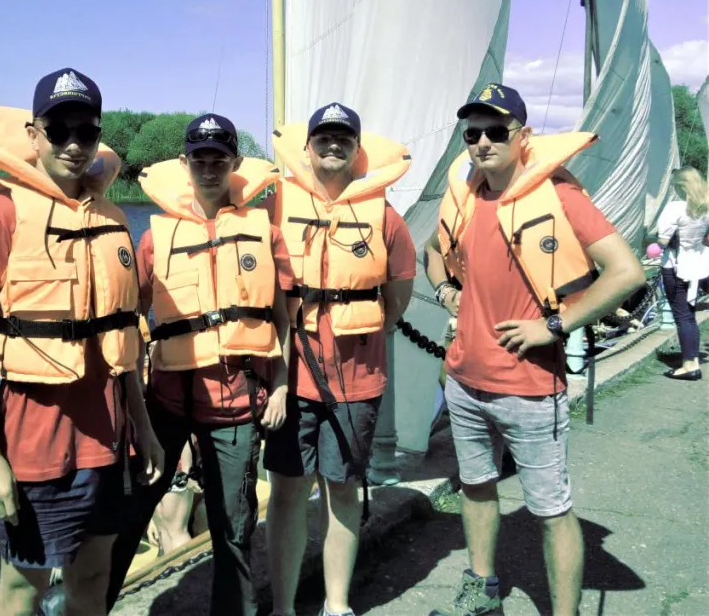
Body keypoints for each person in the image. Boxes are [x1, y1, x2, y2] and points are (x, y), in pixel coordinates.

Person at [0, 69, 164, 616]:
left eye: (86, 132)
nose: (73, 144)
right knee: (24, 584)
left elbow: (121, 339)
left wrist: (143, 428)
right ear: (34, 134)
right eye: (58, 130)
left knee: (94, 574)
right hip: (35, 439)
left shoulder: (113, 219)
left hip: (109, 435)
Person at [424, 83, 645, 616]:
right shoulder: (465, 195)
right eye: (472, 133)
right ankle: (481, 594)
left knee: (551, 510)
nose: (482, 142)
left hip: (529, 386)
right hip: (464, 381)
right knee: (476, 488)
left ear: (523, 136)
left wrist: (555, 325)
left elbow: (626, 272)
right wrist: (447, 291)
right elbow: (433, 251)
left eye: (496, 131)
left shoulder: (559, 194)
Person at [105, 113, 292, 616]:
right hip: (166, 403)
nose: (209, 169)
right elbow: (128, 321)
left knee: (234, 529)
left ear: (234, 164)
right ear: (184, 164)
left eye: (219, 160)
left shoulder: (266, 234)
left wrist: (281, 385)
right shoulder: (154, 239)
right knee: (130, 515)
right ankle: (90, 606)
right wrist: (133, 406)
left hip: (236, 407)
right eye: (200, 160)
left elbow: (283, 319)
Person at [263, 103, 416, 616]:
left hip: (357, 380)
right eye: (324, 138)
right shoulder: (275, 208)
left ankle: (337, 604)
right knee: (287, 493)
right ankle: (282, 607)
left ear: (356, 149)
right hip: (291, 380)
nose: (333, 145)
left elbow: (396, 299)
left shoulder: (386, 219)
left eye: (343, 138)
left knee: (343, 491)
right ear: (307, 148)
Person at [655, 165, 709, 380]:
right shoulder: (705, 208)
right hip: (697, 265)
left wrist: (656, 243)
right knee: (689, 315)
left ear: (681, 186)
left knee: (682, 317)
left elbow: (662, 241)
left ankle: (689, 366)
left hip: (675, 267)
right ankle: (692, 359)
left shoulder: (675, 208)